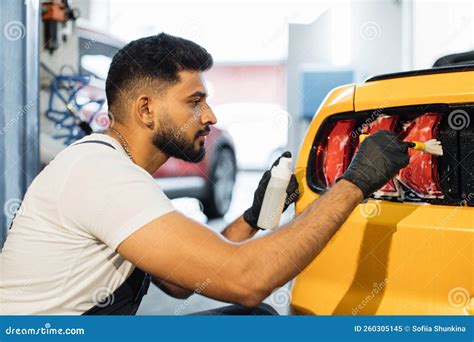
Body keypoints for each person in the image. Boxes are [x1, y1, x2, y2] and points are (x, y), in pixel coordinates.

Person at [0, 33, 409, 315]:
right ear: (146, 110)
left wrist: (251, 218)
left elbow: (182, 282)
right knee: (256, 317)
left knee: (252, 319)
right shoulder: (101, 173)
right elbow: (245, 280)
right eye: (195, 102)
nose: (210, 116)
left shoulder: (116, 170)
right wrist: (353, 183)